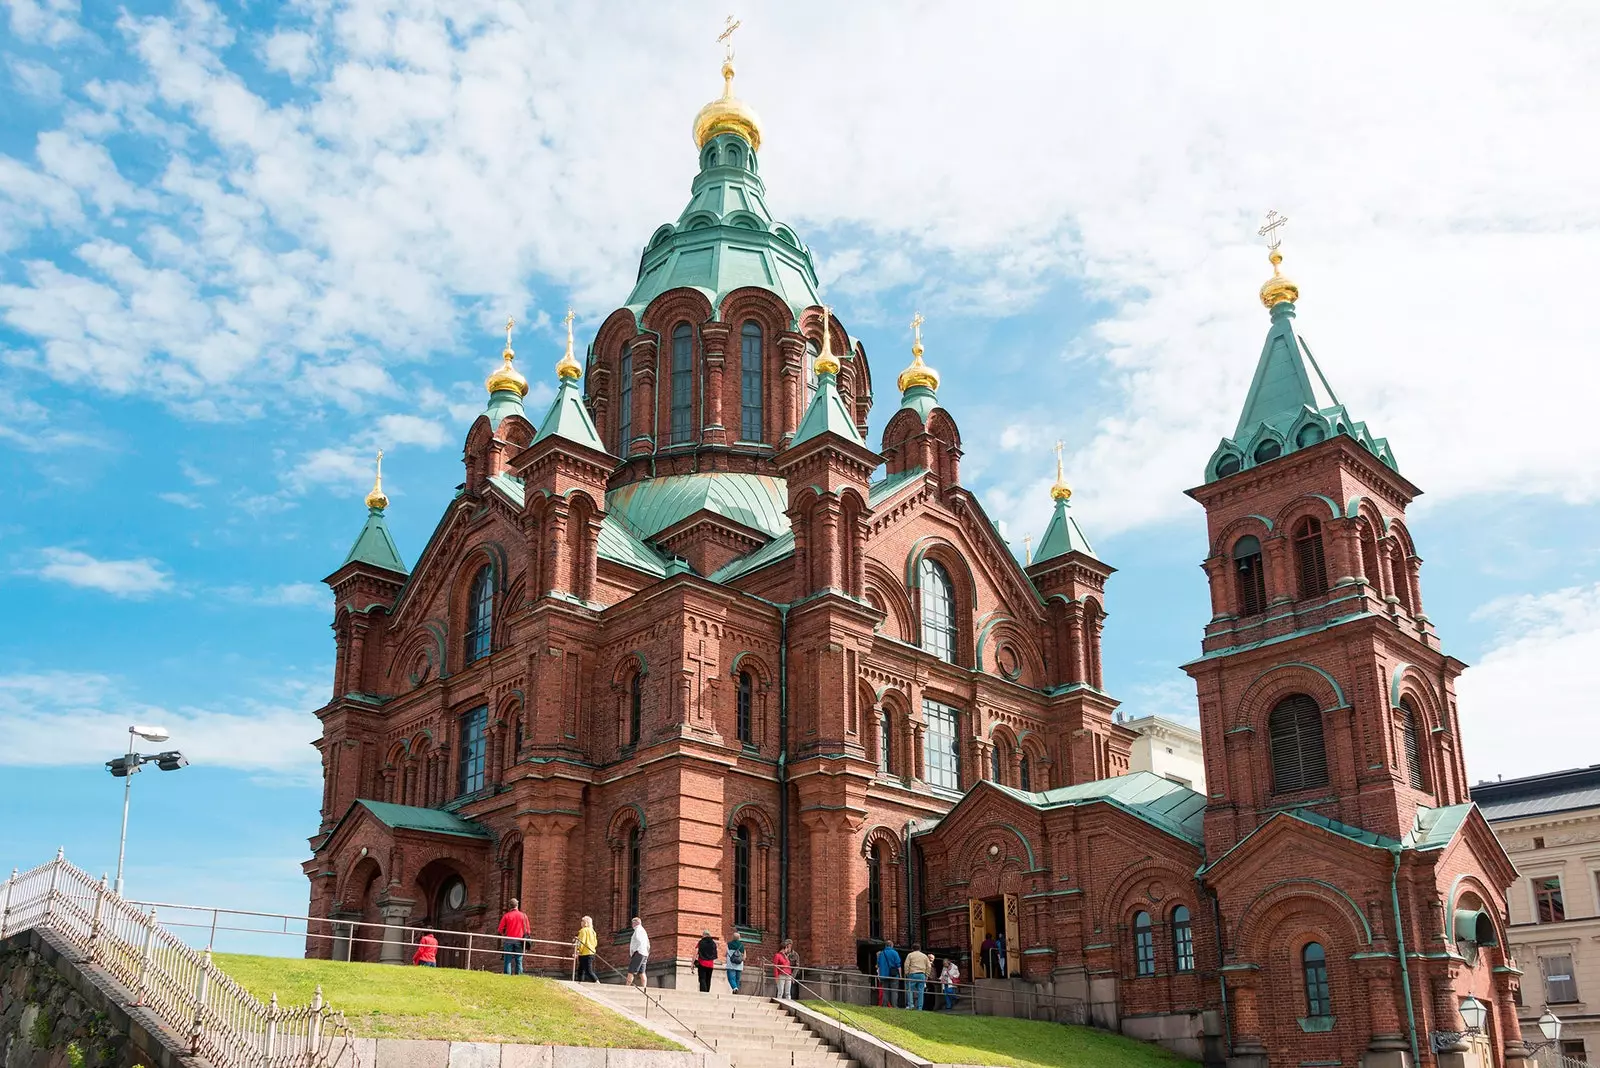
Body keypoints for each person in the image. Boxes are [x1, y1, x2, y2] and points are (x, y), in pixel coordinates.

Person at [498, 898, 530, 975]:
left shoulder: (506, 916)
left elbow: (500, 929)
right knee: (519, 959)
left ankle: (507, 975)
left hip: (508, 940)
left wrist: (504, 934)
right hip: (520, 941)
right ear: (517, 905)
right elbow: (528, 931)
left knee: (507, 959)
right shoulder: (523, 916)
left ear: (510, 906)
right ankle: (518, 975)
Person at [902, 944, 930, 1011]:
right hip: (922, 974)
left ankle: (911, 1005)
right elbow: (929, 966)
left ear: (912, 949)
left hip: (913, 974)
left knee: (910, 990)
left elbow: (906, 965)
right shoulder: (924, 956)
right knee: (921, 991)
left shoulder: (910, 955)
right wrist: (926, 975)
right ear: (920, 949)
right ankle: (920, 1008)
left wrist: (907, 973)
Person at [875, 940, 902, 1008]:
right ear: (892, 945)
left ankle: (884, 1005)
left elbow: (878, 965)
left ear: (885, 945)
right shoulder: (895, 953)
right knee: (894, 991)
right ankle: (894, 1006)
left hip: (883, 975)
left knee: (885, 991)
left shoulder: (881, 954)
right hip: (893, 975)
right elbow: (898, 965)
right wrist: (900, 975)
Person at [625, 916, 650, 987]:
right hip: (644, 953)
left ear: (636, 923)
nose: (632, 925)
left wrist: (636, 951)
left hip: (639, 953)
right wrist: (647, 953)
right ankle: (644, 987)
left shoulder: (638, 930)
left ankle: (627, 986)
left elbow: (639, 941)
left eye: (633, 923)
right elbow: (648, 944)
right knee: (642, 972)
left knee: (631, 971)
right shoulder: (643, 931)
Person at [574, 915, 598, 982]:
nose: (581, 922)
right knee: (580, 969)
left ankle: (597, 982)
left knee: (588, 971)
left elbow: (581, 942)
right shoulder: (593, 931)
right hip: (591, 953)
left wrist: (578, 951)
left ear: (586, 923)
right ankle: (579, 982)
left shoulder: (583, 931)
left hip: (585, 953)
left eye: (582, 921)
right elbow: (595, 943)